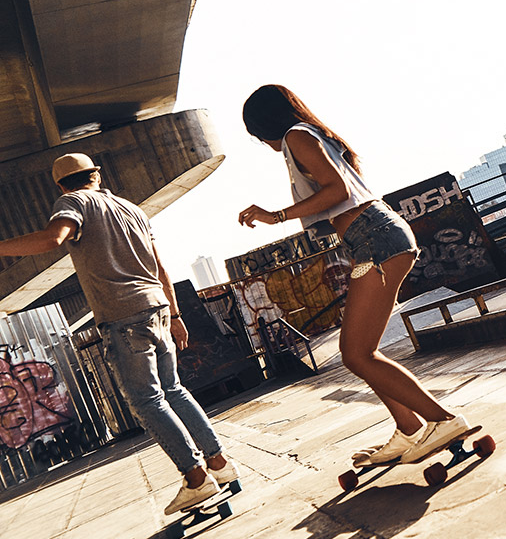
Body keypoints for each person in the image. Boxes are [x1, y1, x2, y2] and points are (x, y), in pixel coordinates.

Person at [237, 85, 469, 465]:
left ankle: (442, 420)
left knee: (356, 354)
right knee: (361, 352)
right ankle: (408, 429)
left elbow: (336, 190)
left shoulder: (296, 136)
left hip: (377, 240)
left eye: (257, 135)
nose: (263, 143)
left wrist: (275, 215)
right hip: (373, 241)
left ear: (266, 125)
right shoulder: (309, 135)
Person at [0, 154, 239, 515]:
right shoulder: (131, 209)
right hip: (158, 307)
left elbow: (54, 238)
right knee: (173, 390)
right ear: (96, 175)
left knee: (146, 400)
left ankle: (196, 479)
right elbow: (159, 265)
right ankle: (220, 465)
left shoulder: (73, 202)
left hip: (124, 316)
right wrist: (175, 314)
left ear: (61, 185)